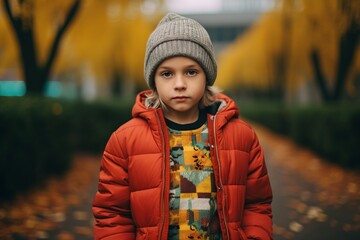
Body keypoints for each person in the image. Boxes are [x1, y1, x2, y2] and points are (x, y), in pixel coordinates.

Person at [92, 12, 273, 240]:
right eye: (167, 73)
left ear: (206, 76)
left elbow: (257, 205)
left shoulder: (242, 137)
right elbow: (112, 215)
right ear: (153, 80)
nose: (179, 84)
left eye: (191, 72)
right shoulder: (125, 141)